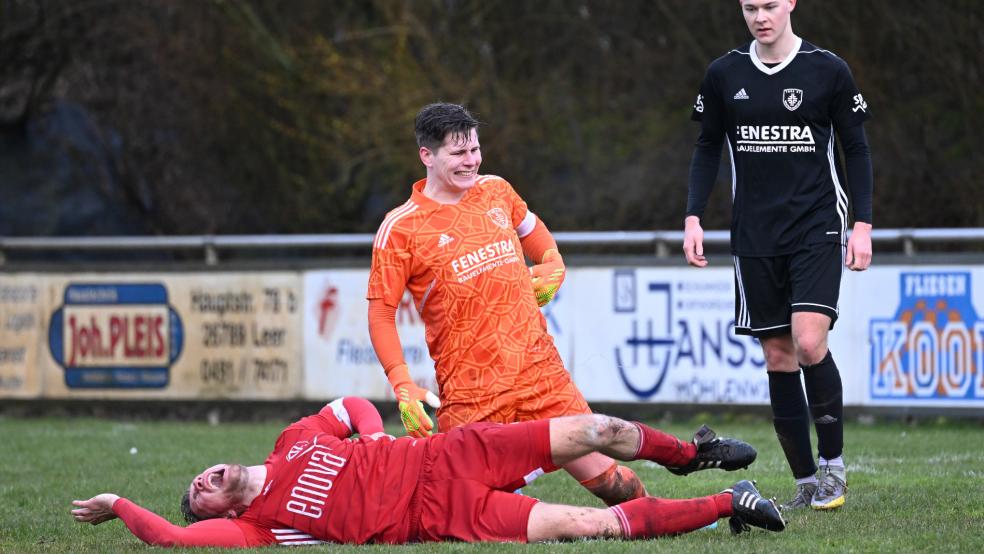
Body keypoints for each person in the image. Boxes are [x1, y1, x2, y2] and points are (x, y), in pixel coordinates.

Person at [367, 102, 650, 506]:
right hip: (474, 390)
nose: (472, 161)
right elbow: (380, 314)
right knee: (457, 504)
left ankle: (686, 519)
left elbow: (534, 231)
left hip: (540, 372)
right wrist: (402, 384)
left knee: (612, 481)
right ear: (426, 156)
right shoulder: (401, 228)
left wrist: (553, 262)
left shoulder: (495, 189)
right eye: (459, 153)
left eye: (475, 150)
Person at [72, 397, 783, 546]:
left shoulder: (293, 440)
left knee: (599, 430)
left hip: (451, 453)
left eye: (194, 481)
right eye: (197, 498)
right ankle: (731, 502)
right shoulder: (259, 527)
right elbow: (170, 541)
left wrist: (377, 440)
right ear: (221, 515)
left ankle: (693, 456)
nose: (198, 484)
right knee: (589, 524)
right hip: (441, 517)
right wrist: (117, 502)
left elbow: (349, 406)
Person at [682, 0, 873, 511]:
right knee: (779, 354)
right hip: (754, 235)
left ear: (790, 4)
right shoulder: (724, 74)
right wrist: (694, 215)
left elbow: (856, 148)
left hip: (816, 226)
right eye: (750, 7)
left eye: (769, 5)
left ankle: (833, 468)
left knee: (810, 342)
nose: (760, 16)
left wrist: (862, 225)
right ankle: (805, 482)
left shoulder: (828, 70)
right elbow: (706, 146)